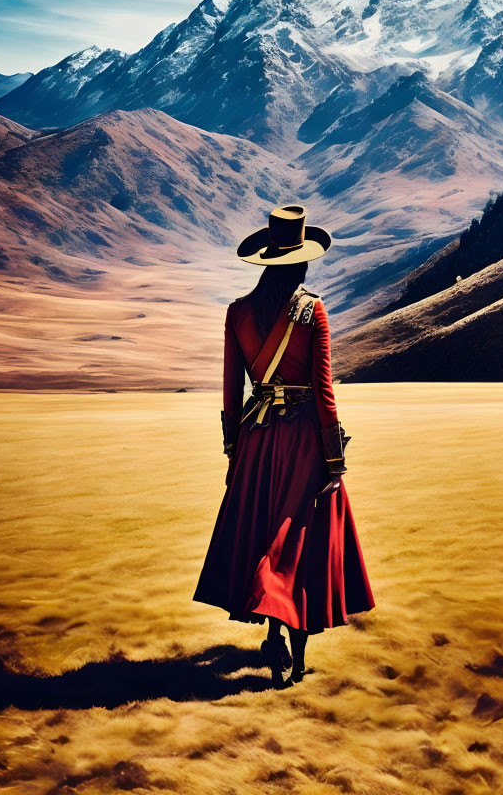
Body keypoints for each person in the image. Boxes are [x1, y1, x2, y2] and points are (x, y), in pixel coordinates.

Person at [193, 204, 375, 687]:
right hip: (301, 441)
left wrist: (235, 450)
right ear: (303, 263)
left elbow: (232, 391)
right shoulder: (312, 310)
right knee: (298, 537)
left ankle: (270, 631)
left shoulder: (236, 313)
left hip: (257, 439)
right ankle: (293, 657)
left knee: (261, 532)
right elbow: (324, 389)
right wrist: (334, 457)